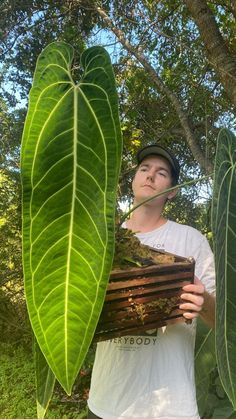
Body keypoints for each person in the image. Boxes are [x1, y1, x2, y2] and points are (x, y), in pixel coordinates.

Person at [87, 144, 216, 419]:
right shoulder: (104, 240)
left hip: (171, 408)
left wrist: (203, 302)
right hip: (106, 403)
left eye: (162, 173)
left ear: (172, 191)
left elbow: (221, 322)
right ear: (133, 180)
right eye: (144, 169)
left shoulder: (191, 240)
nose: (150, 175)